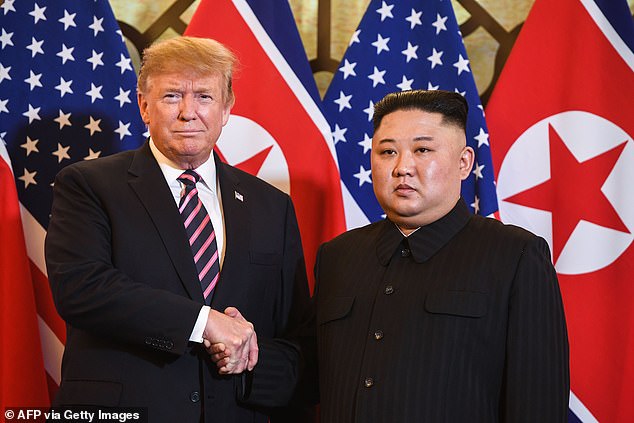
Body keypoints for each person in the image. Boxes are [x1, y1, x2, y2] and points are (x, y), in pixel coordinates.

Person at [45, 36, 311, 422]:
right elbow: (82, 289)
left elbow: (295, 335)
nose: (189, 112)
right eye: (172, 96)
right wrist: (205, 323)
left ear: (226, 109)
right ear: (144, 106)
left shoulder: (272, 205)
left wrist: (247, 360)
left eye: (204, 96)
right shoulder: (89, 185)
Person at [313, 89, 570, 422]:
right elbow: (306, 378)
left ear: (464, 163)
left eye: (422, 150)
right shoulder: (338, 256)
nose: (402, 167)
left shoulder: (516, 256)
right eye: (387, 151)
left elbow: (538, 405)